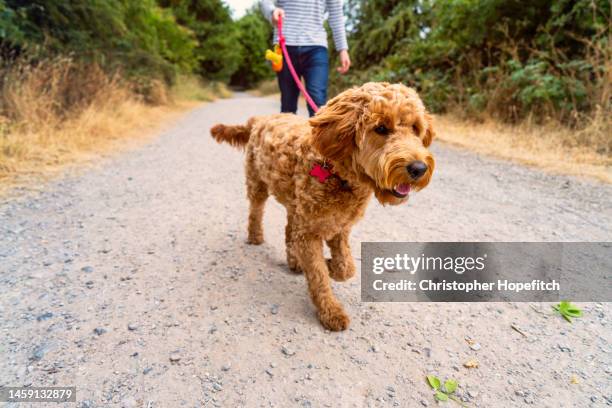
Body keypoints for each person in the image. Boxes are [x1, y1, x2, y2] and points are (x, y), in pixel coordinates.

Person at [261, 0, 351, 116]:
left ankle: (317, 133)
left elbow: (336, 14)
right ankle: (287, 133)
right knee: (288, 105)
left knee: (318, 102)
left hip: (316, 47)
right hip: (285, 45)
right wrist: (272, 11)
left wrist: (343, 49)